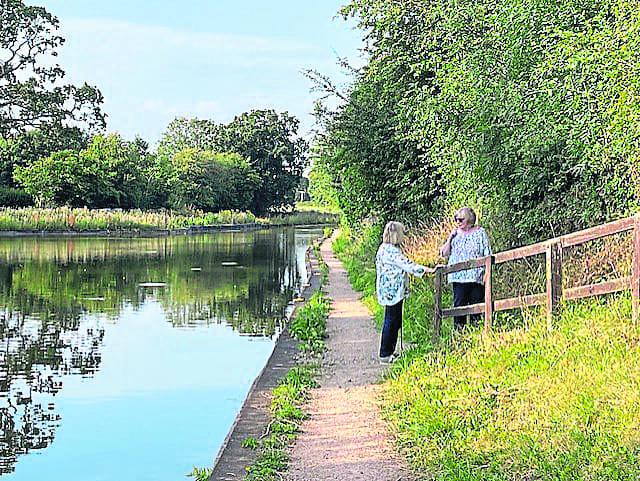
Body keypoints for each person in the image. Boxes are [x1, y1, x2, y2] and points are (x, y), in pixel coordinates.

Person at [376, 221, 432, 363]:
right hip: (393, 291)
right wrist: (425, 270)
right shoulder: (391, 252)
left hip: (388, 289)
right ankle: (385, 353)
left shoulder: (383, 248)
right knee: (391, 320)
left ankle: (390, 351)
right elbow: (407, 265)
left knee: (394, 319)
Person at [439, 207, 492, 329]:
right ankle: (459, 335)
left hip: (476, 276)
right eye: (456, 219)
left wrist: (486, 273)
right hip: (458, 277)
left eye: (461, 219)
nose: (458, 222)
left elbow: (487, 253)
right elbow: (443, 253)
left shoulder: (480, 233)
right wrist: (450, 238)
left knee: (476, 306)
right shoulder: (455, 234)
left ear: (469, 219)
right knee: (459, 307)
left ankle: (475, 334)